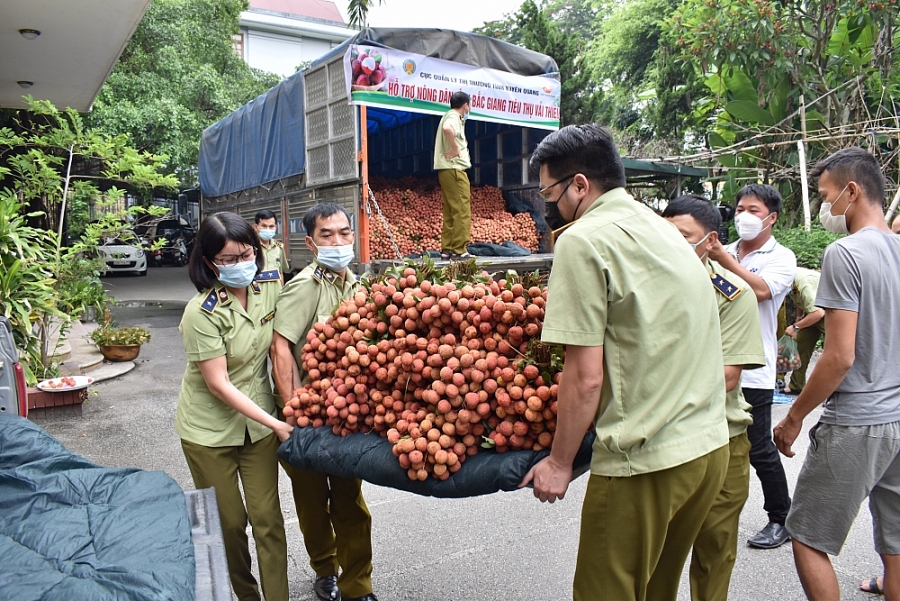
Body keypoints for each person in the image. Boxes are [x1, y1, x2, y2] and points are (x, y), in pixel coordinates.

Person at [520, 124, 729, 601]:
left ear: (579, 186)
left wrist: (559, 462)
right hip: (706, 449)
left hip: (646, 463)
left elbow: (585, 376)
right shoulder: (662, 227)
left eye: (550, 191)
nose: (547, 204)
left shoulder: (583, 239)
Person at [773, 147, 900, 600]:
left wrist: (794, 417)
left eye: (825, 196)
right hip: (898, 416)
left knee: (806, 535)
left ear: (852, 191)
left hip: (858, 420)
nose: (825, 209)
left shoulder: (845, 254)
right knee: (897, 546)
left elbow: (839, 355)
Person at [175, 212, 292, 601]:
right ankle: (246, 595)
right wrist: (276, 423)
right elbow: (219, 384)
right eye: (228, 260)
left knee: (268, 520)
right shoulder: (201, 312)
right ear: (209, 262)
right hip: (209, 431)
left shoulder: (269, 286)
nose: (242, 265)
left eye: (247, 255)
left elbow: (282, 343)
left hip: (257, 426)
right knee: (229, 523)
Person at [271, 203, 377, 601]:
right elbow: (280, 349)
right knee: (313, 501)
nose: (338, 241)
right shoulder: (304, 286)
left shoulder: (359, 285)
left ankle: (358, 584)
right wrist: (294, 409)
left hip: (348, 413)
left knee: (350, 499)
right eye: (328, 235)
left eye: (344, 233)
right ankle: (324, 569)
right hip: (308, 414)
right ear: (311, 243)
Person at [663, 195, 766, 601]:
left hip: (723, 437)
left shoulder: (732, 294)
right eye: (665, 235)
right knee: (659, 552)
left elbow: (726, 377)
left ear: (709, 242)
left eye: (683, 237)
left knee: (714, 548)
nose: (673, 245)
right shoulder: (645, 289)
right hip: (664, 440)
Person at [709, 183, 797, 549]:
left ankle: (781, 517)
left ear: (772, 218)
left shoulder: (781, 257)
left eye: (754, 210)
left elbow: (760, 291)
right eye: (740, 208)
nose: (744, 216)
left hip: (753, 368)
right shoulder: (722, 250)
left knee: (758, 447)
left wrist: (723, 262)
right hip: (714, 363)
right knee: (716, 442)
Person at [433, 91, 472, 259]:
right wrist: (455, 148)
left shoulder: (448, 115)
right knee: (462, 208)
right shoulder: (454, 117)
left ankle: (447, 248)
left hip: (447, 170)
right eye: (469, 106)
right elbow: (447, 128)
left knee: (450, 209)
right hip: (455, 169)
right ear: (465, 105)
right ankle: (460, 249)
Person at [784, 267, 825, 395]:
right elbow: (799, 299)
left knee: (834, 351)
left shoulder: (802, 283)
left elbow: (818, 313)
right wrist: (799, 317)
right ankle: (796, 385)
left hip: (828, 313)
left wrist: (796, 327)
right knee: (801, 344)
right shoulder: (790, 278)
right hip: (811, 312)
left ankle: (836, 390)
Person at [253, 209, 289, 277]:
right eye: (264, 226)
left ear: (275, 227)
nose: (268, 229)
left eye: (271, 226)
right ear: (256, 227)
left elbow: (280, 273)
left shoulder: (279, 248)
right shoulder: (250, 247)